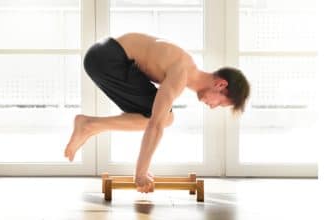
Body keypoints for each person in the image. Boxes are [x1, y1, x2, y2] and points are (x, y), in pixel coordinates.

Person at [64, 32, 250, 193]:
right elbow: (156, 125)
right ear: (221, 85)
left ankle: (89, 125)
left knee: (156, 115)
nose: (213, 106)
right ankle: (88, 125)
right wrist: (140, 174)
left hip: (102, 57)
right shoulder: (181, 72)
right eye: (221, 103)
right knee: (164, 117)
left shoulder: (183, 67)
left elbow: (151, 120)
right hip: (108, 58)